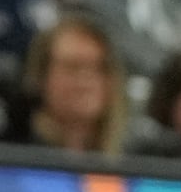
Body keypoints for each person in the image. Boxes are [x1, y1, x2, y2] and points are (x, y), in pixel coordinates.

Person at [18, 10, 125, 156]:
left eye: (99, 68)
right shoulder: (12, 153)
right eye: (72, 67)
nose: (85, 81)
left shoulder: (138, 157)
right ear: (41, 78)